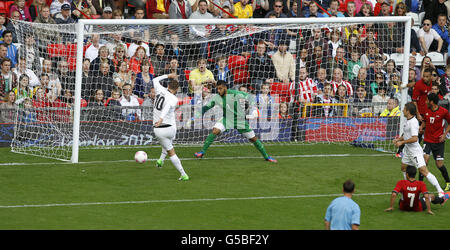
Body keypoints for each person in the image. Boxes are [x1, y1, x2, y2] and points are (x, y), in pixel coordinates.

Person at [194, 80, 277, 163]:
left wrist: (254, 108)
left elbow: (251, 98)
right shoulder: (217, 97)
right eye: (217, 89)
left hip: (239, 120)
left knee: (253, 139)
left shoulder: (235, 93)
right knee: (215, 130)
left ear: (225, 88)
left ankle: (266, 156)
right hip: (227, 119)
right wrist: (197, 115)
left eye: (220, 89)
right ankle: (202, 152)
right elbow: (207, 107)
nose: (219, 91)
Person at [393, 102, 445, 197]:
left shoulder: (413, 122)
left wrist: (402, 143)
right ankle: (407, 188)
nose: (403, 110)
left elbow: (414, 138)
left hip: (415, 151)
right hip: (408, 151)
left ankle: (440, 191)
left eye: (404, 109)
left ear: (408, 111)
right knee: (403, 168)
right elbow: (406, 135)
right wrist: (398, 139)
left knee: (423, 171)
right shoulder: (407, 121)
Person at [152, 73, 190, 181]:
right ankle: (163, 161)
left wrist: (168, 75)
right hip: (171, 129)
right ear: (177, 89)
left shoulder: (159, 89)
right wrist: (162, 118)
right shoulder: (174, 98)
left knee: (169, 148)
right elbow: (168, 106)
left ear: (168, 86)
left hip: (159, 129)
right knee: (169, 145)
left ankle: (181, 172)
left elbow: (155, 79)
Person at [420, 93, 450, 191]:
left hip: (438, 141)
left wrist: (445, 134)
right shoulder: (426, 110)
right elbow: (425, 121)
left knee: (439, 164)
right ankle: (420, 185)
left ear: (432, 102)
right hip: (427, 140)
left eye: (427, 100)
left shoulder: (444, 112)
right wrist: (421, 127)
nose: (426, 102)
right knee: (424, 161)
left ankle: (448, 182)